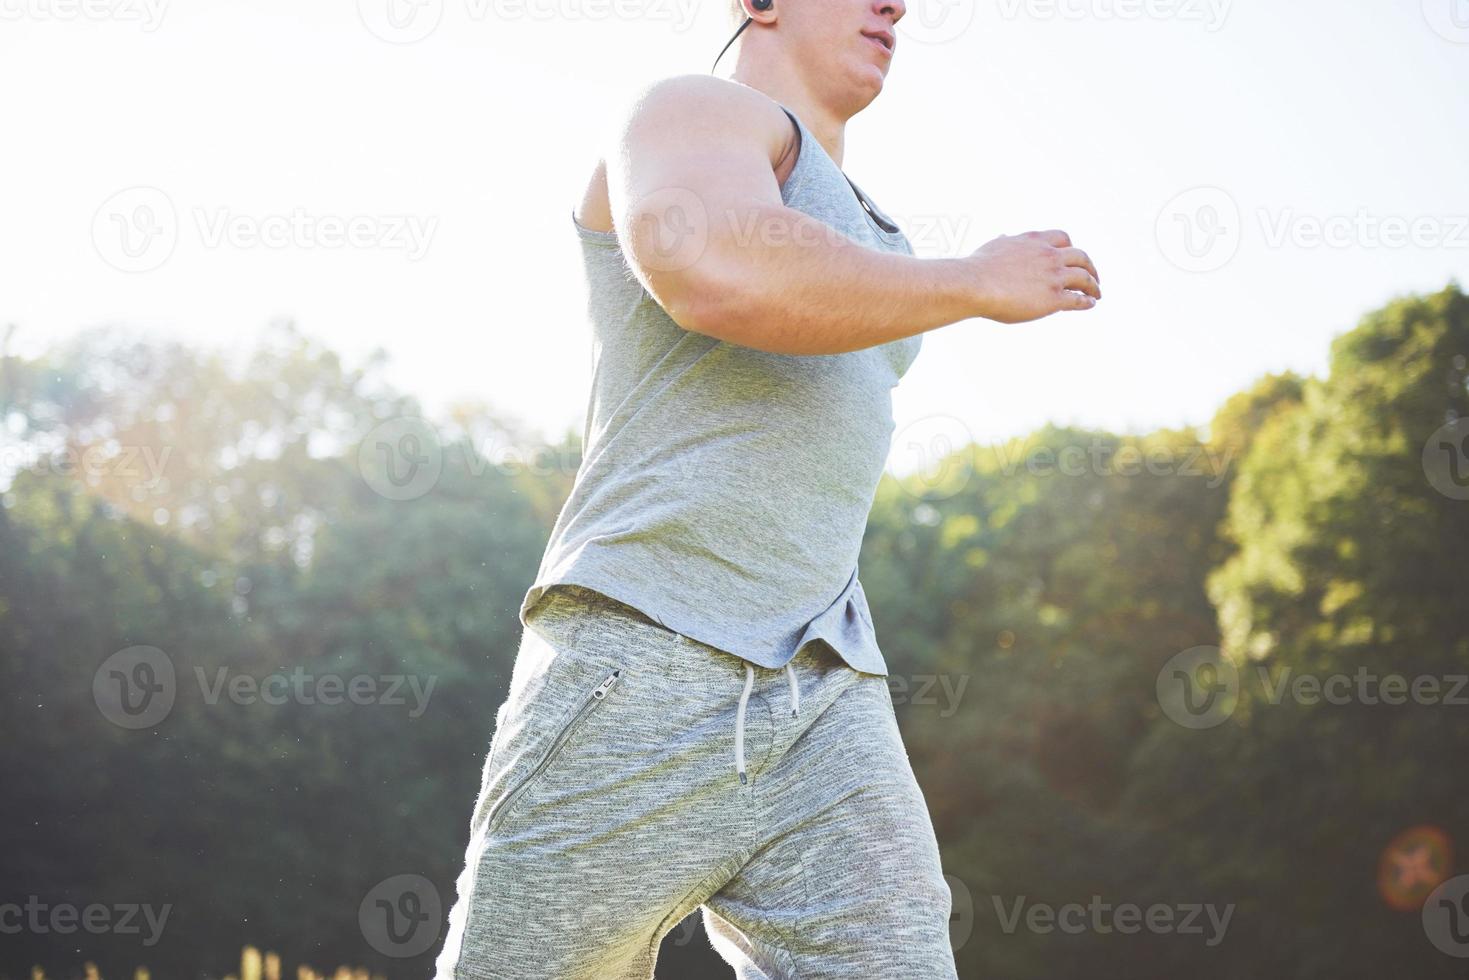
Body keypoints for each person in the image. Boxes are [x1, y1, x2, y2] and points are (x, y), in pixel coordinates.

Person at [434, 1, 1101, 976]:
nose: (896, 5)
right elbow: (706, 262)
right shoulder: (687, 110)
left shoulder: (878, 238)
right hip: (642, 656)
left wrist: (946, 278)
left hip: (829, 691)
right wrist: (972, 279)